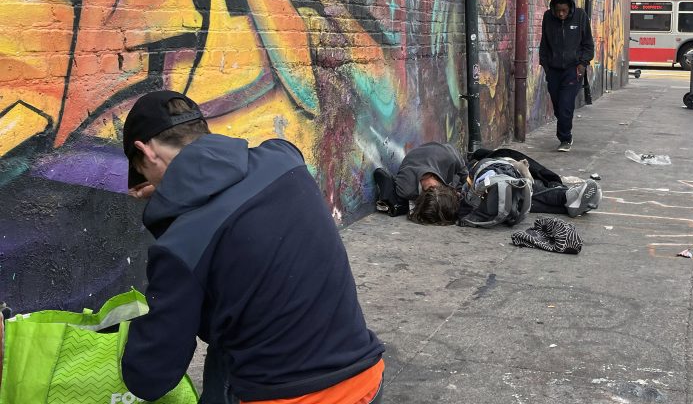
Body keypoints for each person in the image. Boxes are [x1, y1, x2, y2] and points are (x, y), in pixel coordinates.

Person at [121, 90, 384, 404]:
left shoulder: (181, 244)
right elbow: (226, 199)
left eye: (142, 171)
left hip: (287, 398)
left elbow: (149, 378)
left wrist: (169, 207)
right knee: (224, 350)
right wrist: (174, 188)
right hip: (366, 381)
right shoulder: (285, 159)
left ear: (146, 152)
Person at [538, 0, 594, 152]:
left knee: (565, 104)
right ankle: (564, 127)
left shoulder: (580, 16)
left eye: (563, 10)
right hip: (554, 69)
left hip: (573, 69)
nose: (560, 14)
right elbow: (544, 44)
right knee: (557, 105)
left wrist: (582, 63)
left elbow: (588, 44)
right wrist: (545, 65)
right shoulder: (548, 17)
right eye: (557, 10)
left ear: (569, 8)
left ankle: (565, 138)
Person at [373, 142, 468, 225]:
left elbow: (463, 169)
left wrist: (464, 186)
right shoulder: (406, 190)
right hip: (424, 158)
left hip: (438, 153)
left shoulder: (449, 157)